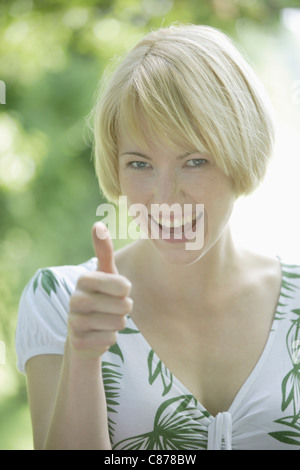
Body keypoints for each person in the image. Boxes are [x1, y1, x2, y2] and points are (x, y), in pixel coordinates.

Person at [16, 24, 300, 450]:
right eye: (139, 164)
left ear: (241, 150)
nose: (164, 197)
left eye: (195, 161)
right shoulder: (61, 301)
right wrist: (83, 358)